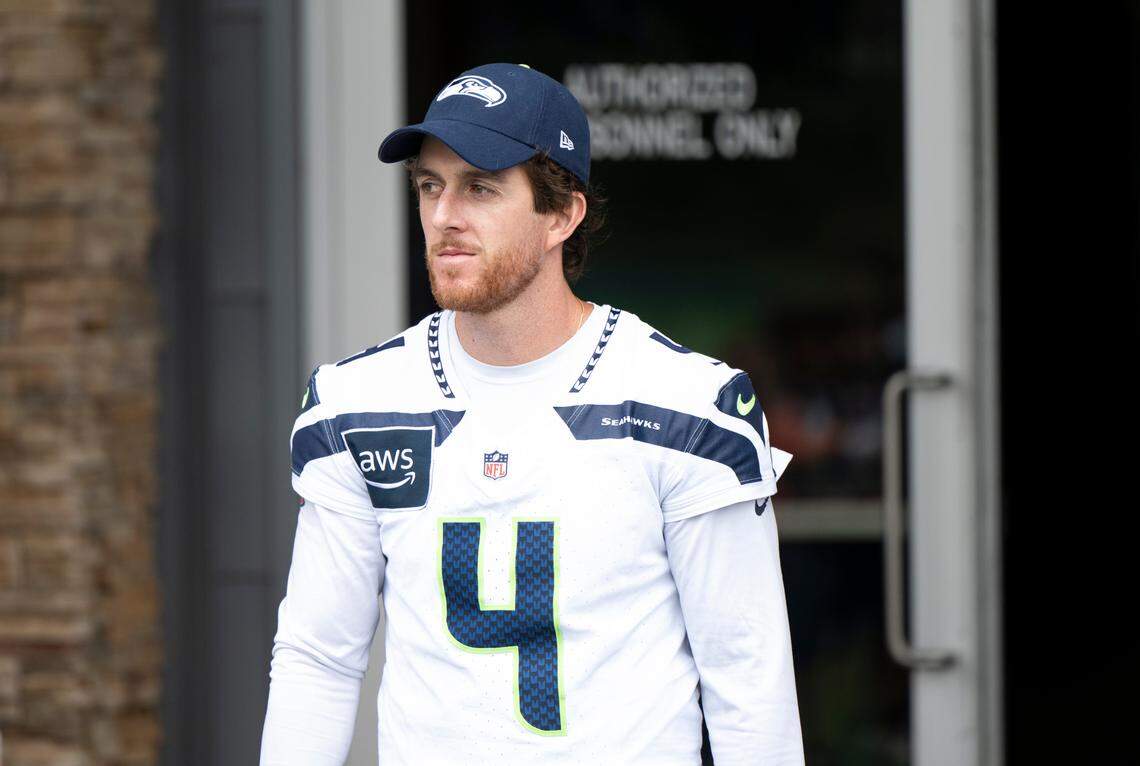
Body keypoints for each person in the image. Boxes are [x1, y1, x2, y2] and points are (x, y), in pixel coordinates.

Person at [259, 62, 803, 765]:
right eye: (430, 186)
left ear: (562, 215)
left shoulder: (687, 405)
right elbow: (318, 658)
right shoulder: (355, 402)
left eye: (481, 187)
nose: (444, 216)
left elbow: (747, 678)